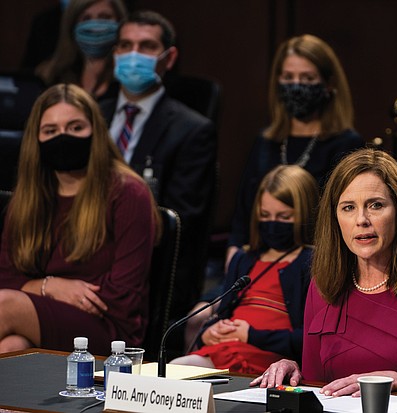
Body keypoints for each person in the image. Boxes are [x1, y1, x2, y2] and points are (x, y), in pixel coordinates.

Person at [251, 148, 397, 398]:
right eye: (348, 207)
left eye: (375, 205)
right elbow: (318, 391)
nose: (361, 219)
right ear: (335, 218)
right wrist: (293, 373)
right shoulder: (323, 287)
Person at [0, 83, 158, 355]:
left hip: (109, 328)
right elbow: (6, 276)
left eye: (75, 128)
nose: (63, 138)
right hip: (41, 316)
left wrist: (39, 294)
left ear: (95, 132)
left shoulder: (128, 193)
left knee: (7, 305)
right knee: (12, 346)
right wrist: (50, 287)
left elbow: (123, 297)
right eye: (50, 131)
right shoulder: (28, 198)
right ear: (35, 140)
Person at [99, 10, 217, 319]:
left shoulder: (192, 129)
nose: (133, 55)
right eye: (125, 45)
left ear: (169, 57)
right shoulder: (92, 117)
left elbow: (179, 219)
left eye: (147, 46)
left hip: (146, 268)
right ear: (115, 54)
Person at [227, 34, 364, 268]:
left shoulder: (346, 144)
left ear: (328, 84)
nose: (296, 86)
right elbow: (243, 215)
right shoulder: (265, 141)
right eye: (288, 77)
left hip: (314, 266)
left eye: (307, 78)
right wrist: (233, 262)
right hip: (256, 263)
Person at [171, 165, 318, 374]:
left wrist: (251, 335)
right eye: (265, 215)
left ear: (305, 214)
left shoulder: (312, 262)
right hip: (226, 348)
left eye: (285, 217)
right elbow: (222, 315)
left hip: (270, 356)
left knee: (180, 369)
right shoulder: (243, 258)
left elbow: (312, 340)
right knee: (175, 369)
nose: (273, 223)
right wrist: (208, 332)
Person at [35, 0, 127, 100]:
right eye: (86, 19)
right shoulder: (50, 76)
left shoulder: (129, 75)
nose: (95, 27)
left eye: (104, 17)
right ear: (72, 26)